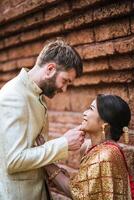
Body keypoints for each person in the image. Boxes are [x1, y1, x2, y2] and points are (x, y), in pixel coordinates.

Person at [0, 40, 85, 200]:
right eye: (65, 80)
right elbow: (14, 160)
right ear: (50, 69)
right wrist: (63, 143)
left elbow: (35, 146)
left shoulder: (36, 93)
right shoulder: (13, 97)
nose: (64, 89)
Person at [44, 94, 132, 199]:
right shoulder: (94, 147)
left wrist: (46, 162)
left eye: (91, 109)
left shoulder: (106, 155)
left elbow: (79, 194)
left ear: (104, 124)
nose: (84, 113)